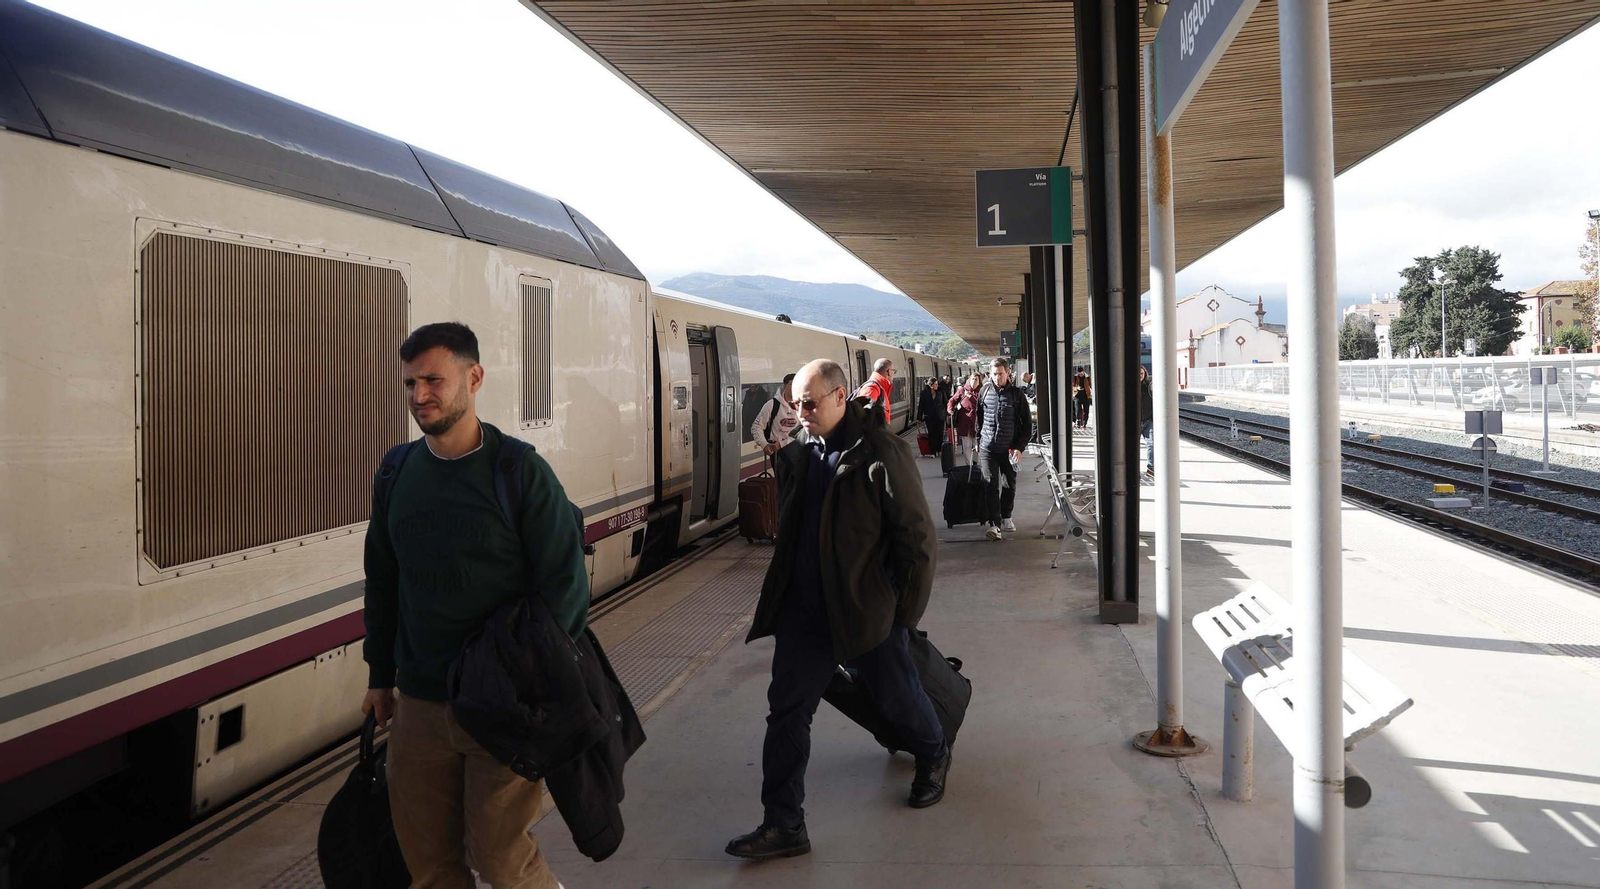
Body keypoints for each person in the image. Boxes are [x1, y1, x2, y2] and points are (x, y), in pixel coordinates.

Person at [363, 322, 587, 889]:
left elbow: (566, 585)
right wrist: (379, 676)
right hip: (419, 704)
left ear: (474, 377)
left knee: (500, 858)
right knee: (430, 864)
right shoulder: (396, 472)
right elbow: (383, 580)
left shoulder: (519, 471)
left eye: (433, 381)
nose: (419, 397)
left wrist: (527, 681)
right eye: (410, 384)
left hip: (501, 706)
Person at [726, 359, 949, 861]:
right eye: (795, 403)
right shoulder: (807, 453)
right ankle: (784, 824)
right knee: (786, 713)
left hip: (866, 612)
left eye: (809, 403)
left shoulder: (880, 454)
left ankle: (933, 752)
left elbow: (917, 542)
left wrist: (902, 617)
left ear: (840, 396)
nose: (800, 412)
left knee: (897, 697)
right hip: (806, 615)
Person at [972, 357, 1032, 540]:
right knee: (990, 485)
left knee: (1008, 485)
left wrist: (1019, 448)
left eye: (1000, 373)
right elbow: (979, 418)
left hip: (1009, 449)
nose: (996, 377)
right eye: (993, 373)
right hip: (988, 448)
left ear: (1007, 373)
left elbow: (1028, 425)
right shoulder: (984, 391)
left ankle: (1007, 516)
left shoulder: (1017, 395)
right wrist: (978, 439)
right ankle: (994, 524)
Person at [752, 373, 801, 457]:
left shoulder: (803, 406)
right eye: (792, 384)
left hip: (797, 449)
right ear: (784, 386)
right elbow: (756, 426)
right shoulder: (772, 405)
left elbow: (806, 431)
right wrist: (764, 444)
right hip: (777, 452)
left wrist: (782, 444)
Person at [946, 373, 981, 465]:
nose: (974, 381)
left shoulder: (981, 391)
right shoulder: (963, 390)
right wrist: (950, 409)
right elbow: (952, 400)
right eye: (973, 379)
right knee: (967, 446)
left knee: (977, 445)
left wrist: (971, 398)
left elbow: (981, 404)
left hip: (978, 423)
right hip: (965, 422)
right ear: (969, 380)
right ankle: (968, 466)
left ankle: (976, 464)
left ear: (979, 381)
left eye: (976, 379)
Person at [857, 358, 895, 423]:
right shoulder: (872, 388)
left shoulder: (879, 387)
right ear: (889, 372)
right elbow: (863, 420)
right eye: (894, 371)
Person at [917, 377, 946, 454]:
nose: (937, 386)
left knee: (940, 433)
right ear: (931, 385)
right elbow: (921, 405)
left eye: (937, 384)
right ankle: (932, 452)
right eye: (935, 384)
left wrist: (947, 414)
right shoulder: (924, 393)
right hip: (929, 416)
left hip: (940, 416)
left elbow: (945, 403)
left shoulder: (941, 391)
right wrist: (919, 417)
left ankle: (939, 449)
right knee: (931, 434)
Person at [1138, 364, 1155, 477]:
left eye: (1142, 373)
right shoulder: (1127, 387)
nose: (1140, 375)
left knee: (1151, 444)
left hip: (1148, 420)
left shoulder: (1149, 386)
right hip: (1134, 421)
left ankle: (1151, 468)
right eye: (1138, 373)